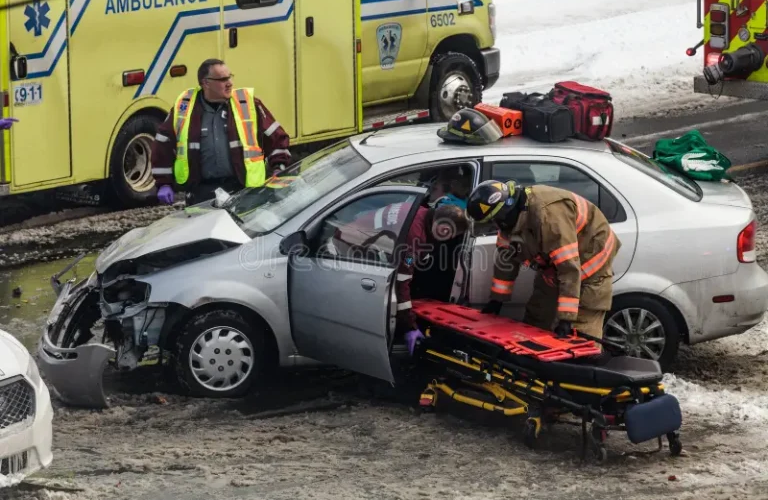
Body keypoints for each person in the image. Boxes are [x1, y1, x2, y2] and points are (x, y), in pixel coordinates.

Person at [465, 179, 621, 344]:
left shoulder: (548, 214)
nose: (494, 226)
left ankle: (586, 365)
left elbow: (569, 268)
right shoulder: (509, 223)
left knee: (579, 333)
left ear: (503, 214)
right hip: (555, 266)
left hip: (590, 259)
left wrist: (566, 318)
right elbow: (507, 260)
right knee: (538, 315)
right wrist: (497, 300)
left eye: (493, 221)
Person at [326, 200, 469, 354]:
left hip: (346, 237)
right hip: (345, 253)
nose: (449, 239)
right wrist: (409, 326)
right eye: (451, 235)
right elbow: (402, 282)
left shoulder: (418, 209)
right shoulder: (414, 237)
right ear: (445, 228)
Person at [151, 58, 292, 205]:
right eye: (223, 79)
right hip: (201, 192)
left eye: (230, 77)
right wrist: (164, 183)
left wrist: (279, 169)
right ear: (206, 83)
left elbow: (277, 138)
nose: (230, 83)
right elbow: (163, 143)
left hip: (243, 190)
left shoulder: (248, 104)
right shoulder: (184, 108)